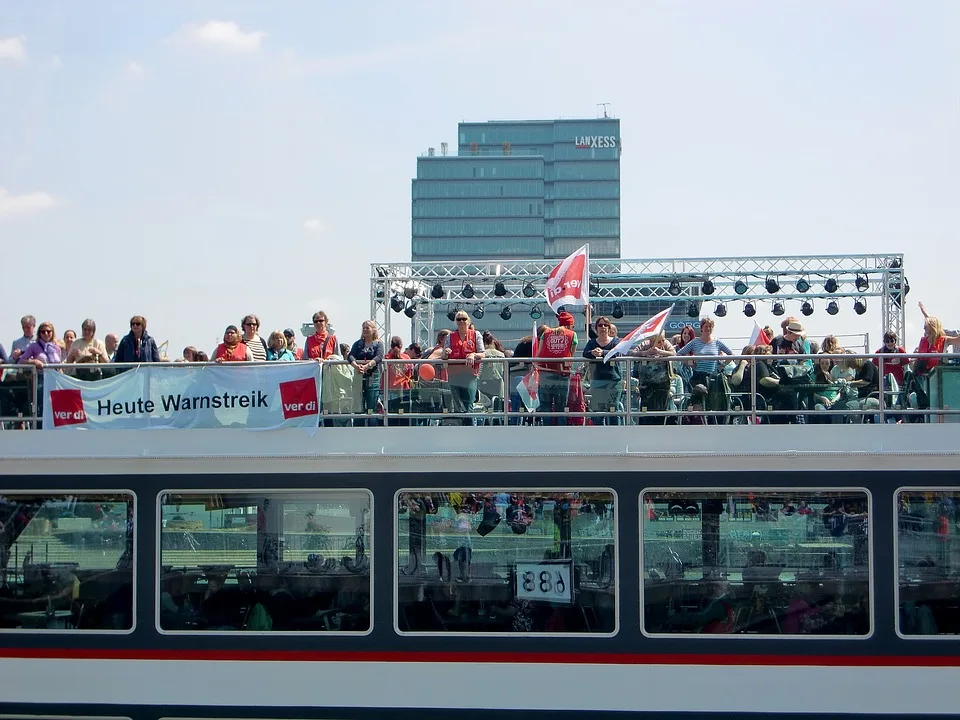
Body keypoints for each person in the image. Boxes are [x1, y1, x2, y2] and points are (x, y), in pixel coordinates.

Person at [534, 311, 578, 425]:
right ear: (569, 324)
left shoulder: (546, 332)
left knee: (545, 406)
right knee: (561, 406)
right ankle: (561, 432)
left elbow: (538, 354)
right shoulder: (572, 334)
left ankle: (546, 431)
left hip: (545, 373)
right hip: (562, 374)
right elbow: (571, 355)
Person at [443, 311, 484, 425]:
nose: (461, 321)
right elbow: (443, 356)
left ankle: (469, 429)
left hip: (469, 375)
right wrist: (446, 353)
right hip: (454, 375)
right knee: (457, 406)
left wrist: (473, 355)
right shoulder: (450, 336)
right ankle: (458, 431)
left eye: (464, 319)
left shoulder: (476, 335)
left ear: (468, 321)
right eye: (459, 319)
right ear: (455, 322)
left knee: (468, 405)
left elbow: (482, 353)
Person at [582, 316, 622, 424]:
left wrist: (603, 353)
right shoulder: (592, 343)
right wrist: (592, 353)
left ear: (609, 328)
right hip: (597, 380)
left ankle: (615, 435)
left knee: (613, 410)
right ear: (596, 328)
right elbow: (585, 353)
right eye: (600, 325)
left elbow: (618, 353)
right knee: (598, 412)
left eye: (605, 325)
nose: (603, 327)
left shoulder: (616, 341)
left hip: (614, 380)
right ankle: (598, 437)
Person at [348, 320, 384, 425]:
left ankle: (372, 430)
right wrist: (356, 365)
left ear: (373, 330)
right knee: (358, 407)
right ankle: (358, 429)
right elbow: (350, 356)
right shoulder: (358, 343)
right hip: (359, 379)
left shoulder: (378, 344)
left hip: (373, 379)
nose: (365, 330)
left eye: (367, 328)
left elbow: (379, 357)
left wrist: (367, 366)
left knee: (371, 407)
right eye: (363, 328)